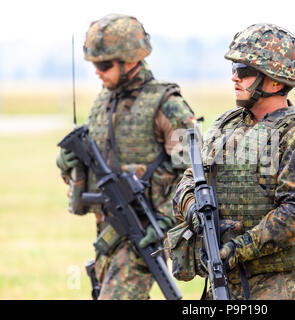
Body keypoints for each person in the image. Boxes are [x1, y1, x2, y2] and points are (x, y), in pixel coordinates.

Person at [171, 23, 295, 300]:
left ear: (275, 80)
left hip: (277, 285)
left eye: (244, 71)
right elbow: (188, 181)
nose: (234, 78)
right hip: (224, 279)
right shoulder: (225, 125)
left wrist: (238, 248)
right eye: (234, 70)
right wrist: (195, 212)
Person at [56, 14, 194, 299]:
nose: (97, 72)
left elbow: (194, 174)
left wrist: (167, 221)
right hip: (107, 230)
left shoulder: (168, 105)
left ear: (131, 59)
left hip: (145, 232)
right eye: (94, 64)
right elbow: (91, 164)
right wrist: (67, 164)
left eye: (104, 64)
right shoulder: (103, 102)